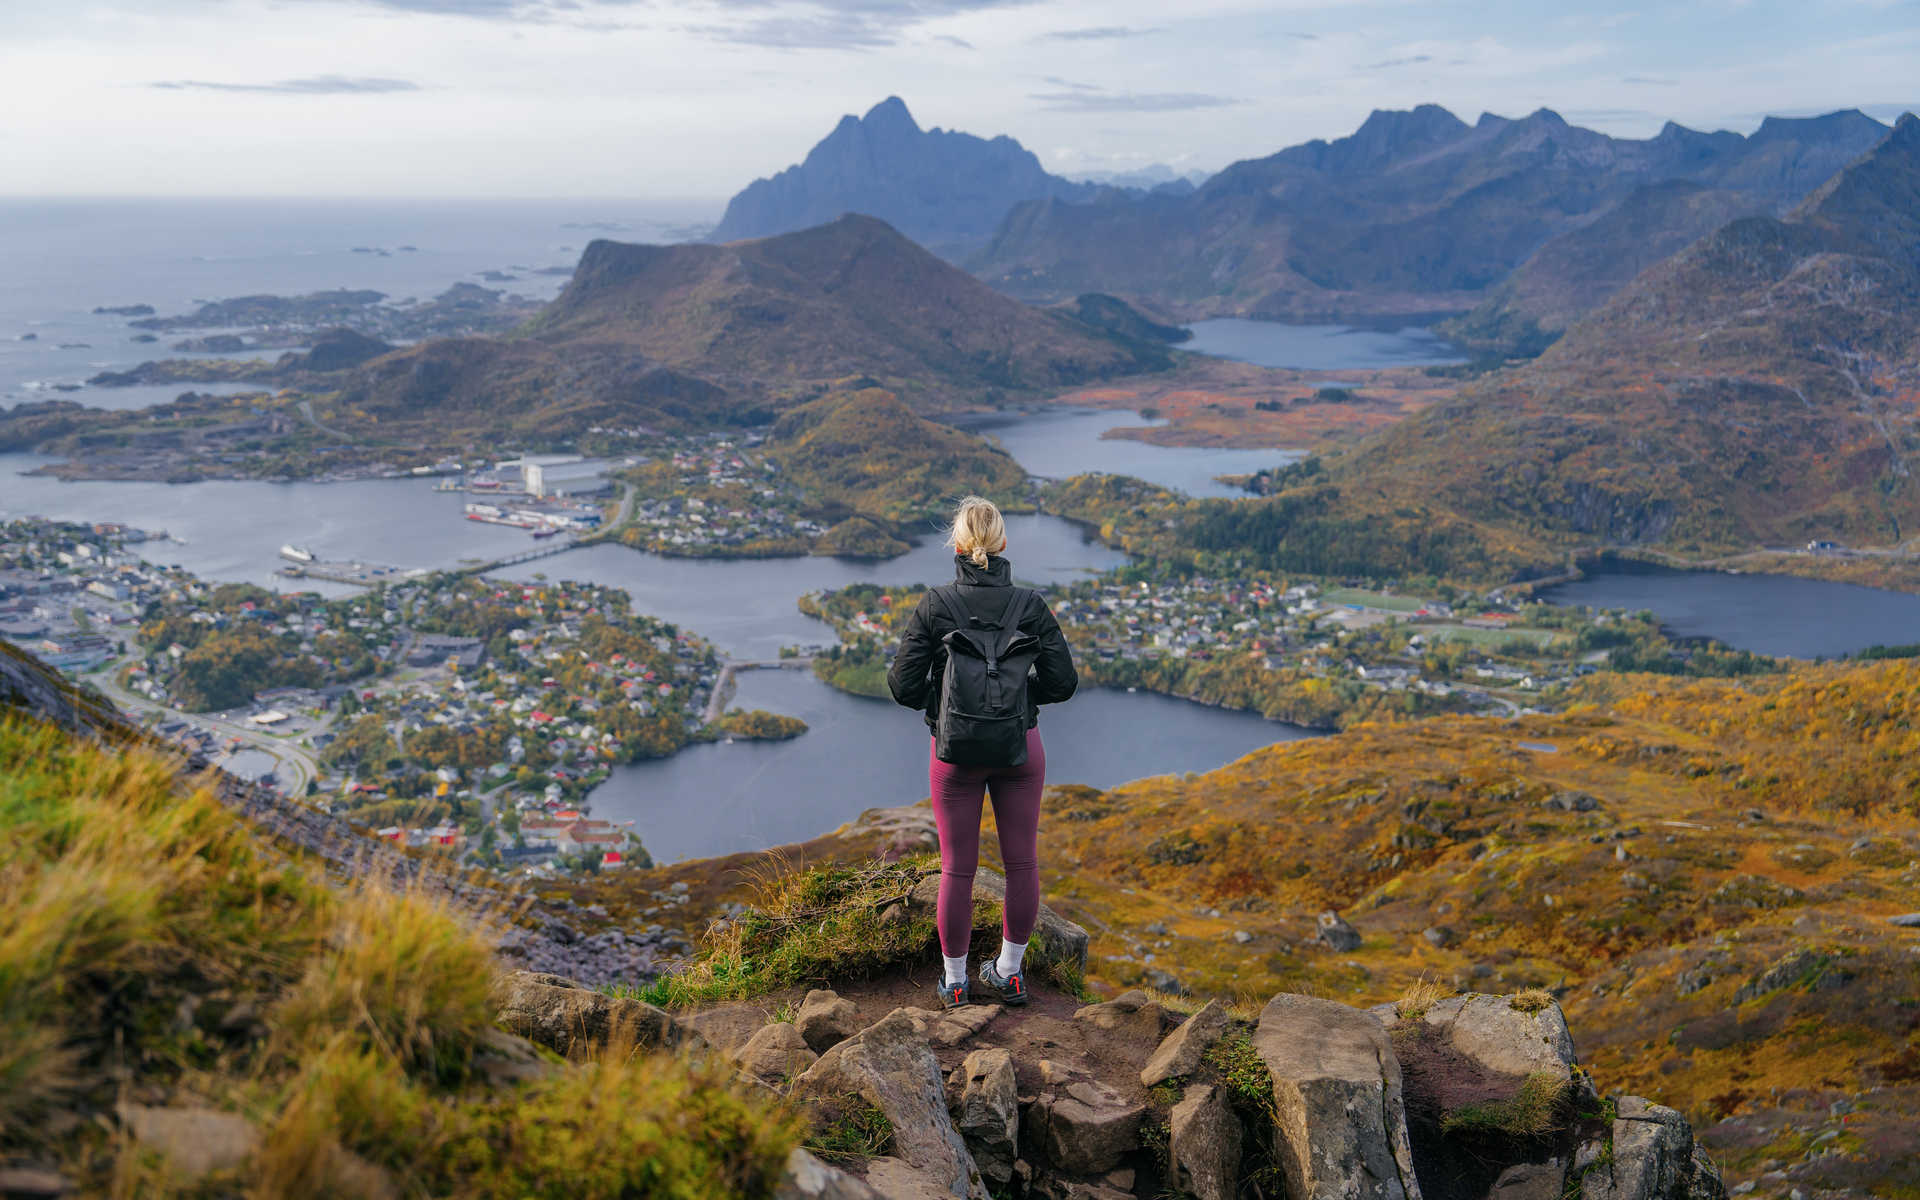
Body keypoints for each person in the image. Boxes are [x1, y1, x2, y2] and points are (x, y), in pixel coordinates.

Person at [887, 497, 1078, 1009]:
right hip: (1021, 747)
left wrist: (948, 707)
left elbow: (903, 686)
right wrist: (1016, 702)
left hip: (954, 754)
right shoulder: (1030, 606)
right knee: (1022, 862)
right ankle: (1009, 974)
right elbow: (1063, 683)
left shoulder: (936, 604)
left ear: (958, 543)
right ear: (1003, 543)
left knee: (957, 868)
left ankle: (954, 982)